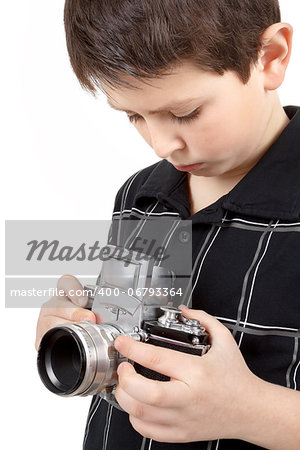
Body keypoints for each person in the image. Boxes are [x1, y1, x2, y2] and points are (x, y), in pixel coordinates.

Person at [35, 1, 300, 449]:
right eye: (135, 116)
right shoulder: (139, 197)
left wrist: (250, 410)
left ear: (270, 57)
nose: (161, 144)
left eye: (185, 113)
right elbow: (129, 360)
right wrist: (81, 340)